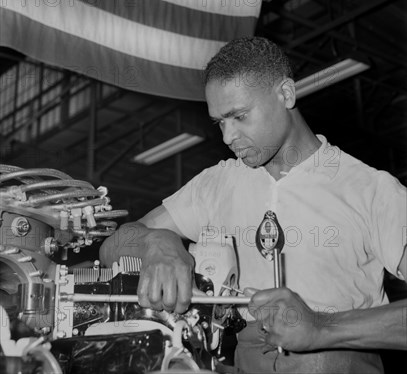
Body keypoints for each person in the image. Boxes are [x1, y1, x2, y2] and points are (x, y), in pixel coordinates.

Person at [100, 37, 407, 373]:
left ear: (286, 94)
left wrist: (321, 327)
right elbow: (112, 246)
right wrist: (157, 243)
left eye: (240, 116)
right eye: (220, 122)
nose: (227, 137)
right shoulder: (217, 183)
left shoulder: (369, 190)